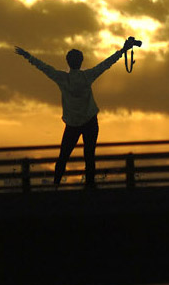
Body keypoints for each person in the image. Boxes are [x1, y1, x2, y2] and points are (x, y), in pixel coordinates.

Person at [14, 39, 134, 189]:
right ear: (81, 61)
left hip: (72, 124)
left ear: (68, 62)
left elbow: (43, 67)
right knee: (89, 156)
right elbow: (106, 64)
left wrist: (27, 55)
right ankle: (89, 187)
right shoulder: (87, 76)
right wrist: (123, 51)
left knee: (63, 156)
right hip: (90, 121)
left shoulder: (62, 78)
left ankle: (56, 186)